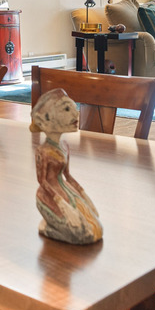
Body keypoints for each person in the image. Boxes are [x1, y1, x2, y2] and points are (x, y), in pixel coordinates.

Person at [30, 88, 102, 245]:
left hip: (66, 190)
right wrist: (61, 203)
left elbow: (67, 176)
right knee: (81, 233)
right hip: (49, 195)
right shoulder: (42, 152)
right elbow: (42, 181)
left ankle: (54, 225)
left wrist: (82, 194)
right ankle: (49, 227)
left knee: (95, 229)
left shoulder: (65, 147)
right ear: (46, 120)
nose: (76, 114)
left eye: (75, 108)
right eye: (67, 109)